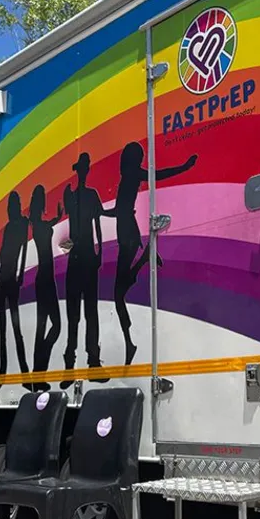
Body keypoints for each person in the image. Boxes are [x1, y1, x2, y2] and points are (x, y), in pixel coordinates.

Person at [105, 142, 197, 365]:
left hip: (127, 230)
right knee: (119, 291)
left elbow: (160, 175)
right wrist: (99, 211)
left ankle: (129, 344)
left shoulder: (132, 175)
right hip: (125, 228)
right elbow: (119, 210)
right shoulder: (128, 177)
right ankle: (145, 257)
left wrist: (184, 167)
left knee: (118, 294)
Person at [61, 153, 107, 384]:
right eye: (82, 168)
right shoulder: (73, 195)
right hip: (79, 256)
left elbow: (98, 223)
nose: (84, 171)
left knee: (90, 312)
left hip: (87, 255)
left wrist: (100, 251)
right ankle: (70, 364)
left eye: (85, 168)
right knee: (74, 314)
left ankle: (93, 361)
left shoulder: (89, 195)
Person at [29, 185, 63, 389]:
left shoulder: (38, 223)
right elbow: (46, 225)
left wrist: (58, 217)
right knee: (48, 327)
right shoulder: (37, 223)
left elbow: (49, 223)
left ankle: (38, 372)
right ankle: (38, 374)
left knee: (50, 327)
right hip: (44, 279)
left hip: (46, 278)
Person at [0, 192, 31, 377]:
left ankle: (24, 369)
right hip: (3, 277)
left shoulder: (22, 223)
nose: (11, 209)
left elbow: (25, 249)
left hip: (12, 277)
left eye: (13, 205)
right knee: (2, 327)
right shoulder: (9, 226)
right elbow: (2, 252)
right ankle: (2, 369)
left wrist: (20, 274)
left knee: (16, 325)